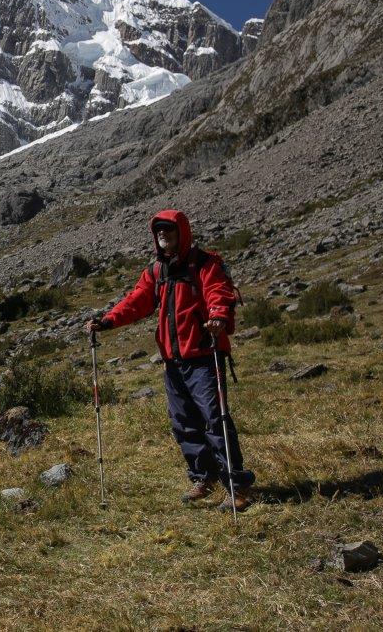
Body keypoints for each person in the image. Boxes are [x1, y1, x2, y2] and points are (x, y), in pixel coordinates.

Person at [85, 208, 256, 511]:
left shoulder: (205, 264)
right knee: (184, 422)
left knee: (215, 420)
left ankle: (237, 487)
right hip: (173, 360)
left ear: (182, 233)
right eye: (159, 231)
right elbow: (137, 301)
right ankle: (203, 477)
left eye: (169, 230)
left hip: (204, 356)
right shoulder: (157, 271)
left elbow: (218, 293)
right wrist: (108, 321)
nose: (163, 235)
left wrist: (217, 317)